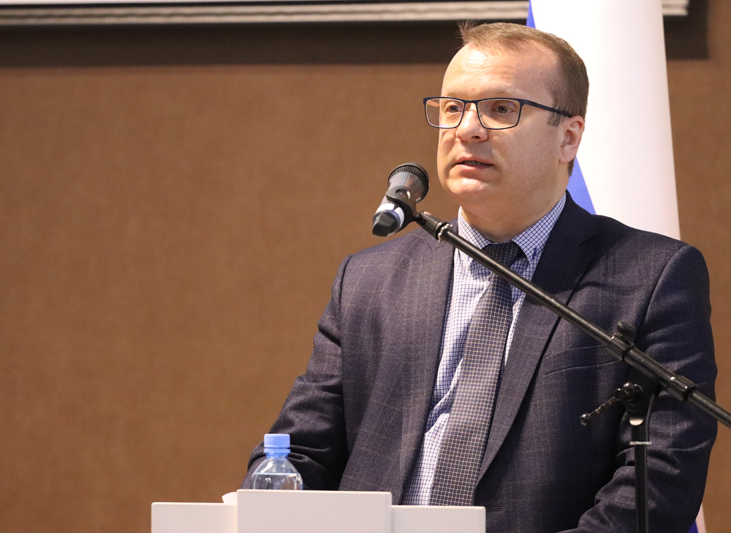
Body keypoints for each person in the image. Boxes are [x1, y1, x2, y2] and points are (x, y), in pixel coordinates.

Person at [242, 22, 717, 533]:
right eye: (453, 108)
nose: (467, 129)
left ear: (568, 137)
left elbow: (658, 479)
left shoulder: (650, 276)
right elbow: (299, 452)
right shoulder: (369, 281)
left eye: (501, 109)